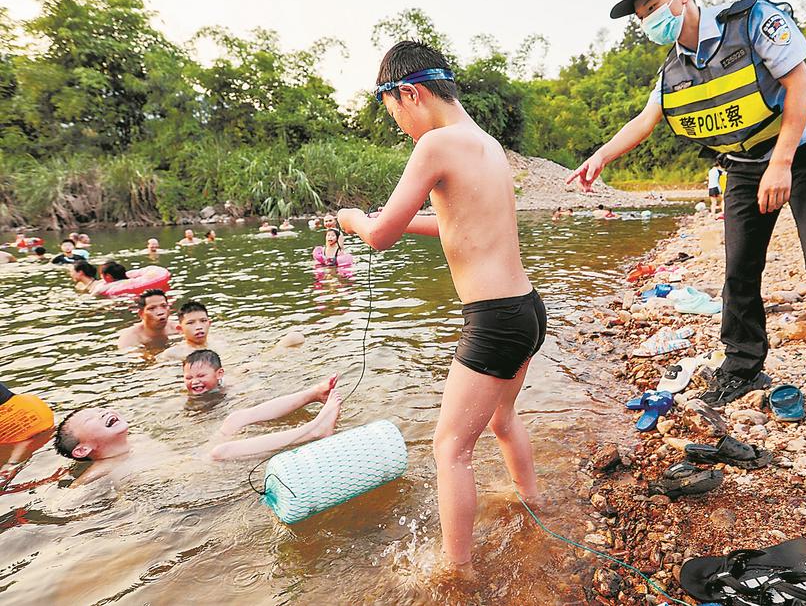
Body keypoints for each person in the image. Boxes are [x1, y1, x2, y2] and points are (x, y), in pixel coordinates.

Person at [567, 0, 806, 446]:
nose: (648, 20)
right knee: (739, 265)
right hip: (743, 164)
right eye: (641, 15)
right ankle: (743, 365)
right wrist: (599, 157)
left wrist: (781, 163)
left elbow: (799, 85)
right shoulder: (674, 69)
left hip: (803, 152)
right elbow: (647, 119)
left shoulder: (753, 21)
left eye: (652, 6)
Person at [337, 41, 545, 571]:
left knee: (450, 448)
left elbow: (378, 236)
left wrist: (353, 219)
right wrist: (398, 220)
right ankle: (532, 499)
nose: (401, 128)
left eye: (395, 115)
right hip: (527, 309)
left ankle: (458, 571)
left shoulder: (434, 146)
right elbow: (459, 224)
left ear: (409, 93)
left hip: (494, 320)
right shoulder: (487, 143)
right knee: (501, 418)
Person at [52, 375, 342, 485]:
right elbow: (72, 498)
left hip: (192, 456)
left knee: (235, 419)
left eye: (101, 408)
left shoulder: (135, 441)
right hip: (195, 473)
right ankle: (315, 431)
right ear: (83, 450)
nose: (104, 412)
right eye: (92, 418)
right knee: (220, 451)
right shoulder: (101, 469)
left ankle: (313, 394)